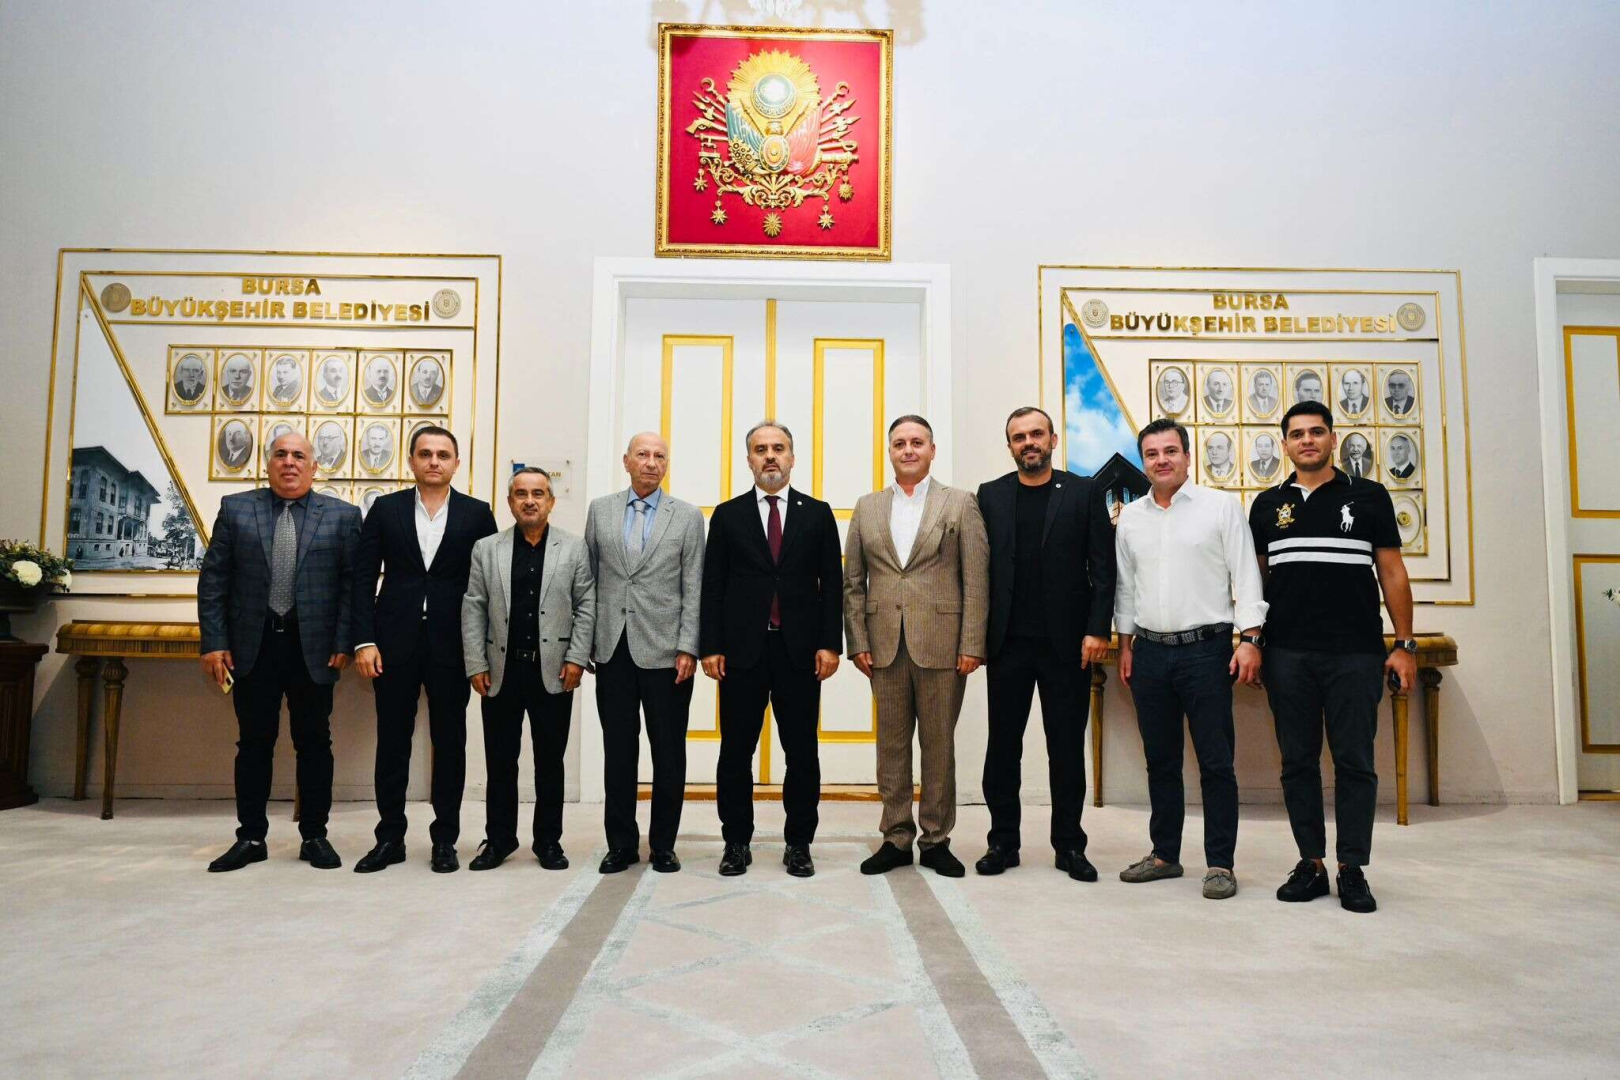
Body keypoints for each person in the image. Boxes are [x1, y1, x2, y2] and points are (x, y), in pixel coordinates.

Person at [1249, 401, 1417, 914]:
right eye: (1297, 433)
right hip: (1286, 655)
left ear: (1332, 439)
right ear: (1285, 444)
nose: (1307, 440)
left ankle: (1351, 867)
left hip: (1355, 654)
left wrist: (1404, 645)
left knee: (1355, 762)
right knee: (1297, 762)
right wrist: (1251, 640)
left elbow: (1392, 573)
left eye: (1317, 431)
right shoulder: (1266, 505)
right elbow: (1254, 581)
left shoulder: (1368, 497)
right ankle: (1312, 863)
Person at [1114, 418, 1267, 900]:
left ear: (1187, 455)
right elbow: (1125, 587)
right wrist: (1125, 645)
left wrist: (1251, 639)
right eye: (1152, 453)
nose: (1162, 460)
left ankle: (1220, 863)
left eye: (1170, 451)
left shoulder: (1220, 507)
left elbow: (1246, 576)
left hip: (1207, 651)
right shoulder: (1130, 518)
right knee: (1160, 761)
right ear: (1143, 462)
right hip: (1149, 653)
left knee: (1215, 762)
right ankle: (1165, 855)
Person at [196, 432, 362, 872]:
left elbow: (353, 586)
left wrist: (344, 641)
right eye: (281, 454)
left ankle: (315, 836)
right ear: (268, 463)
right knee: (253, 743)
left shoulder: (344, 517)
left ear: (314, 467)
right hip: (253, 647)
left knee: (315, 743)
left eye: (299, 456)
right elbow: (214, 580)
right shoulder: (236, 509)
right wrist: (214, 642)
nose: (289, 462)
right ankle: (251, 837)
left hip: (315, 650)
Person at [844, 415, 989, 878]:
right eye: (899, 443)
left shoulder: (960, 503)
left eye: (917, 443)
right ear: (890, 451)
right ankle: (896, 837)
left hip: (943, 645)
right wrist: (857, 641)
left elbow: (976, 579)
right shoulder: (867, 507)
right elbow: (853, 582)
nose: (908, 450)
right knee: (891, 746)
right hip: (883, 646)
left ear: (932, 450)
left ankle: (936, 839)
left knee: (938, 745)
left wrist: (972, 642)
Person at [350, 426, 497, 874]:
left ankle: (445, 839)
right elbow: (362, 578)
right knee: (393, 741)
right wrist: (364, 640)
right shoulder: (386, 509)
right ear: (411, 460)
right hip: (392, 643)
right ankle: (389, 837)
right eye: (426, 453)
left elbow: (491, 586)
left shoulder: (477, 514)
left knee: (450, 743)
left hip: (454, 644)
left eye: (443, 455)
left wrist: (484, 652)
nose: (434, 461)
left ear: (456, 463)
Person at [974, 407, 1114, 881]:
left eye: (1036, 434)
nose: (1028, 442)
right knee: (1002, 749)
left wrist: (1098, 629)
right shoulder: (990, 495)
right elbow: (979, 569)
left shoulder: (1083, 491)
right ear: (1010, 446)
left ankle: (1070, 846)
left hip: (1067, 645)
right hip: (1007, 643)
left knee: (1066, 750)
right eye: (1019, 437)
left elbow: (1103, 566)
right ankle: (1002, 842)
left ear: (1053, 439)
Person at [700, 421, 842, 878]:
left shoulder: (817, 514)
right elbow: (713, 585)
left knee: (801, 753)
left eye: (778, 448)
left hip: (800, 653)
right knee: (735, 753)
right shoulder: (727, 515)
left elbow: (832, 585)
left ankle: (799, 843)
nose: (770, 456)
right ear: (749, 460)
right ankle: (736, 842)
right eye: (760, 449)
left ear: (792, 458)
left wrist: (830, 644)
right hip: (741, 652)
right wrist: (710, 646)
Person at [584, 432, 705, 874]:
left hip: (668, 654)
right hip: (612, 648)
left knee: (668, 752)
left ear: (666, 464)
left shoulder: (687, 517)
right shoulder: (600, 510)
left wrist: (689, 646)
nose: (651, 463)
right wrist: (586, 643)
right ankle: (620, 844)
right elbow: (588, 580)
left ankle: (663, 845)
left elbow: (694, 586)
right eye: (643, 455)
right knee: (618, 751)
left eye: (659, 456)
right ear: (626, 461)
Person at [462, 468, 594, 871]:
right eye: (521, 494)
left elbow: (586, 605)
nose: (530, 501)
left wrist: (576, 658)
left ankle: (548, 842)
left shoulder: (573, 548)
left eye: (538, 493)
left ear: (551, 501)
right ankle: (499, 840)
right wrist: (475, 662)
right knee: (501, 762)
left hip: (553, 672)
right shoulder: (487, 549)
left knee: (550, 762)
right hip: (500, 671)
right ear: (510, 502)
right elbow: (474, 606)